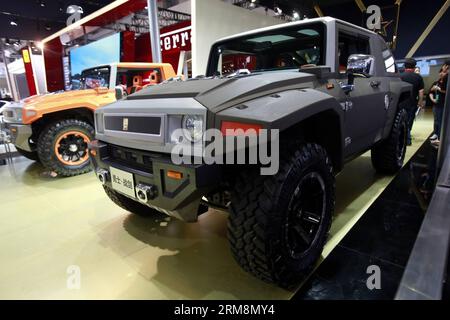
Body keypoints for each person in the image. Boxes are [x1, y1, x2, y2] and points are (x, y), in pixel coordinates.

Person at [400, 58, 425, 145]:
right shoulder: (418, 77)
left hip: (401, 103)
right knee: (409, 121)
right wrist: (420, 102)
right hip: (412, 103)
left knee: (401, 121)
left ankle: (402, 139)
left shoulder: (400, 76)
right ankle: (407, 139)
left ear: (404, 66)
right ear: (414, 67)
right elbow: (421, 91)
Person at [429, 66, 448, 147]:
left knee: (440, 121)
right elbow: (430, 92)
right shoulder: (435, 82)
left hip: (443, 104)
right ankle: (435, 133)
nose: (441, 73)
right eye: (440, 72)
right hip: (436, 104)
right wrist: (432, 99)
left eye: (443, 72)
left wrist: (438, 89)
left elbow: (445, 91)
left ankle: (440, 137)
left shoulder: (446, 83)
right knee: (436, 120)